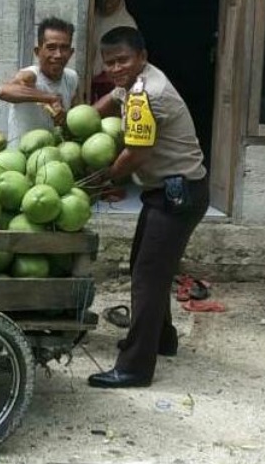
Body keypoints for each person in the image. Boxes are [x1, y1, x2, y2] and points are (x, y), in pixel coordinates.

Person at [88, 26, 209, 388]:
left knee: (147, 278)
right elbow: (109, 99)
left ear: (142, 56)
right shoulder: (135, 81)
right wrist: (79, 123)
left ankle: (135, 368)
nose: (115, 68)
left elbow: (136, 153)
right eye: (109, 62)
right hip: (171, 191)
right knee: (148, 265)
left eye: (122, 60)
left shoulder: (148, 94)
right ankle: (162, 339)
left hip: (178, 194)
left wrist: (103, 180)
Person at [0, 17, 79, 144]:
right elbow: (2, 91)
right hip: (19, 159)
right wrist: (49, 98)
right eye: (51, 48)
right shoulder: (31, 76)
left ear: (71, 52)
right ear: (37, 51)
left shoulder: (71, 78)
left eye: (64, 48)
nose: (58, 55)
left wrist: (64, 118)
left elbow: (76, 116)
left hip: (53, 158)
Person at [91, 0, 137, 102]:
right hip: (90, 79)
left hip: (114, 82)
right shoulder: (92, 17)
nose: (108, 0)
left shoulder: (127, 23)